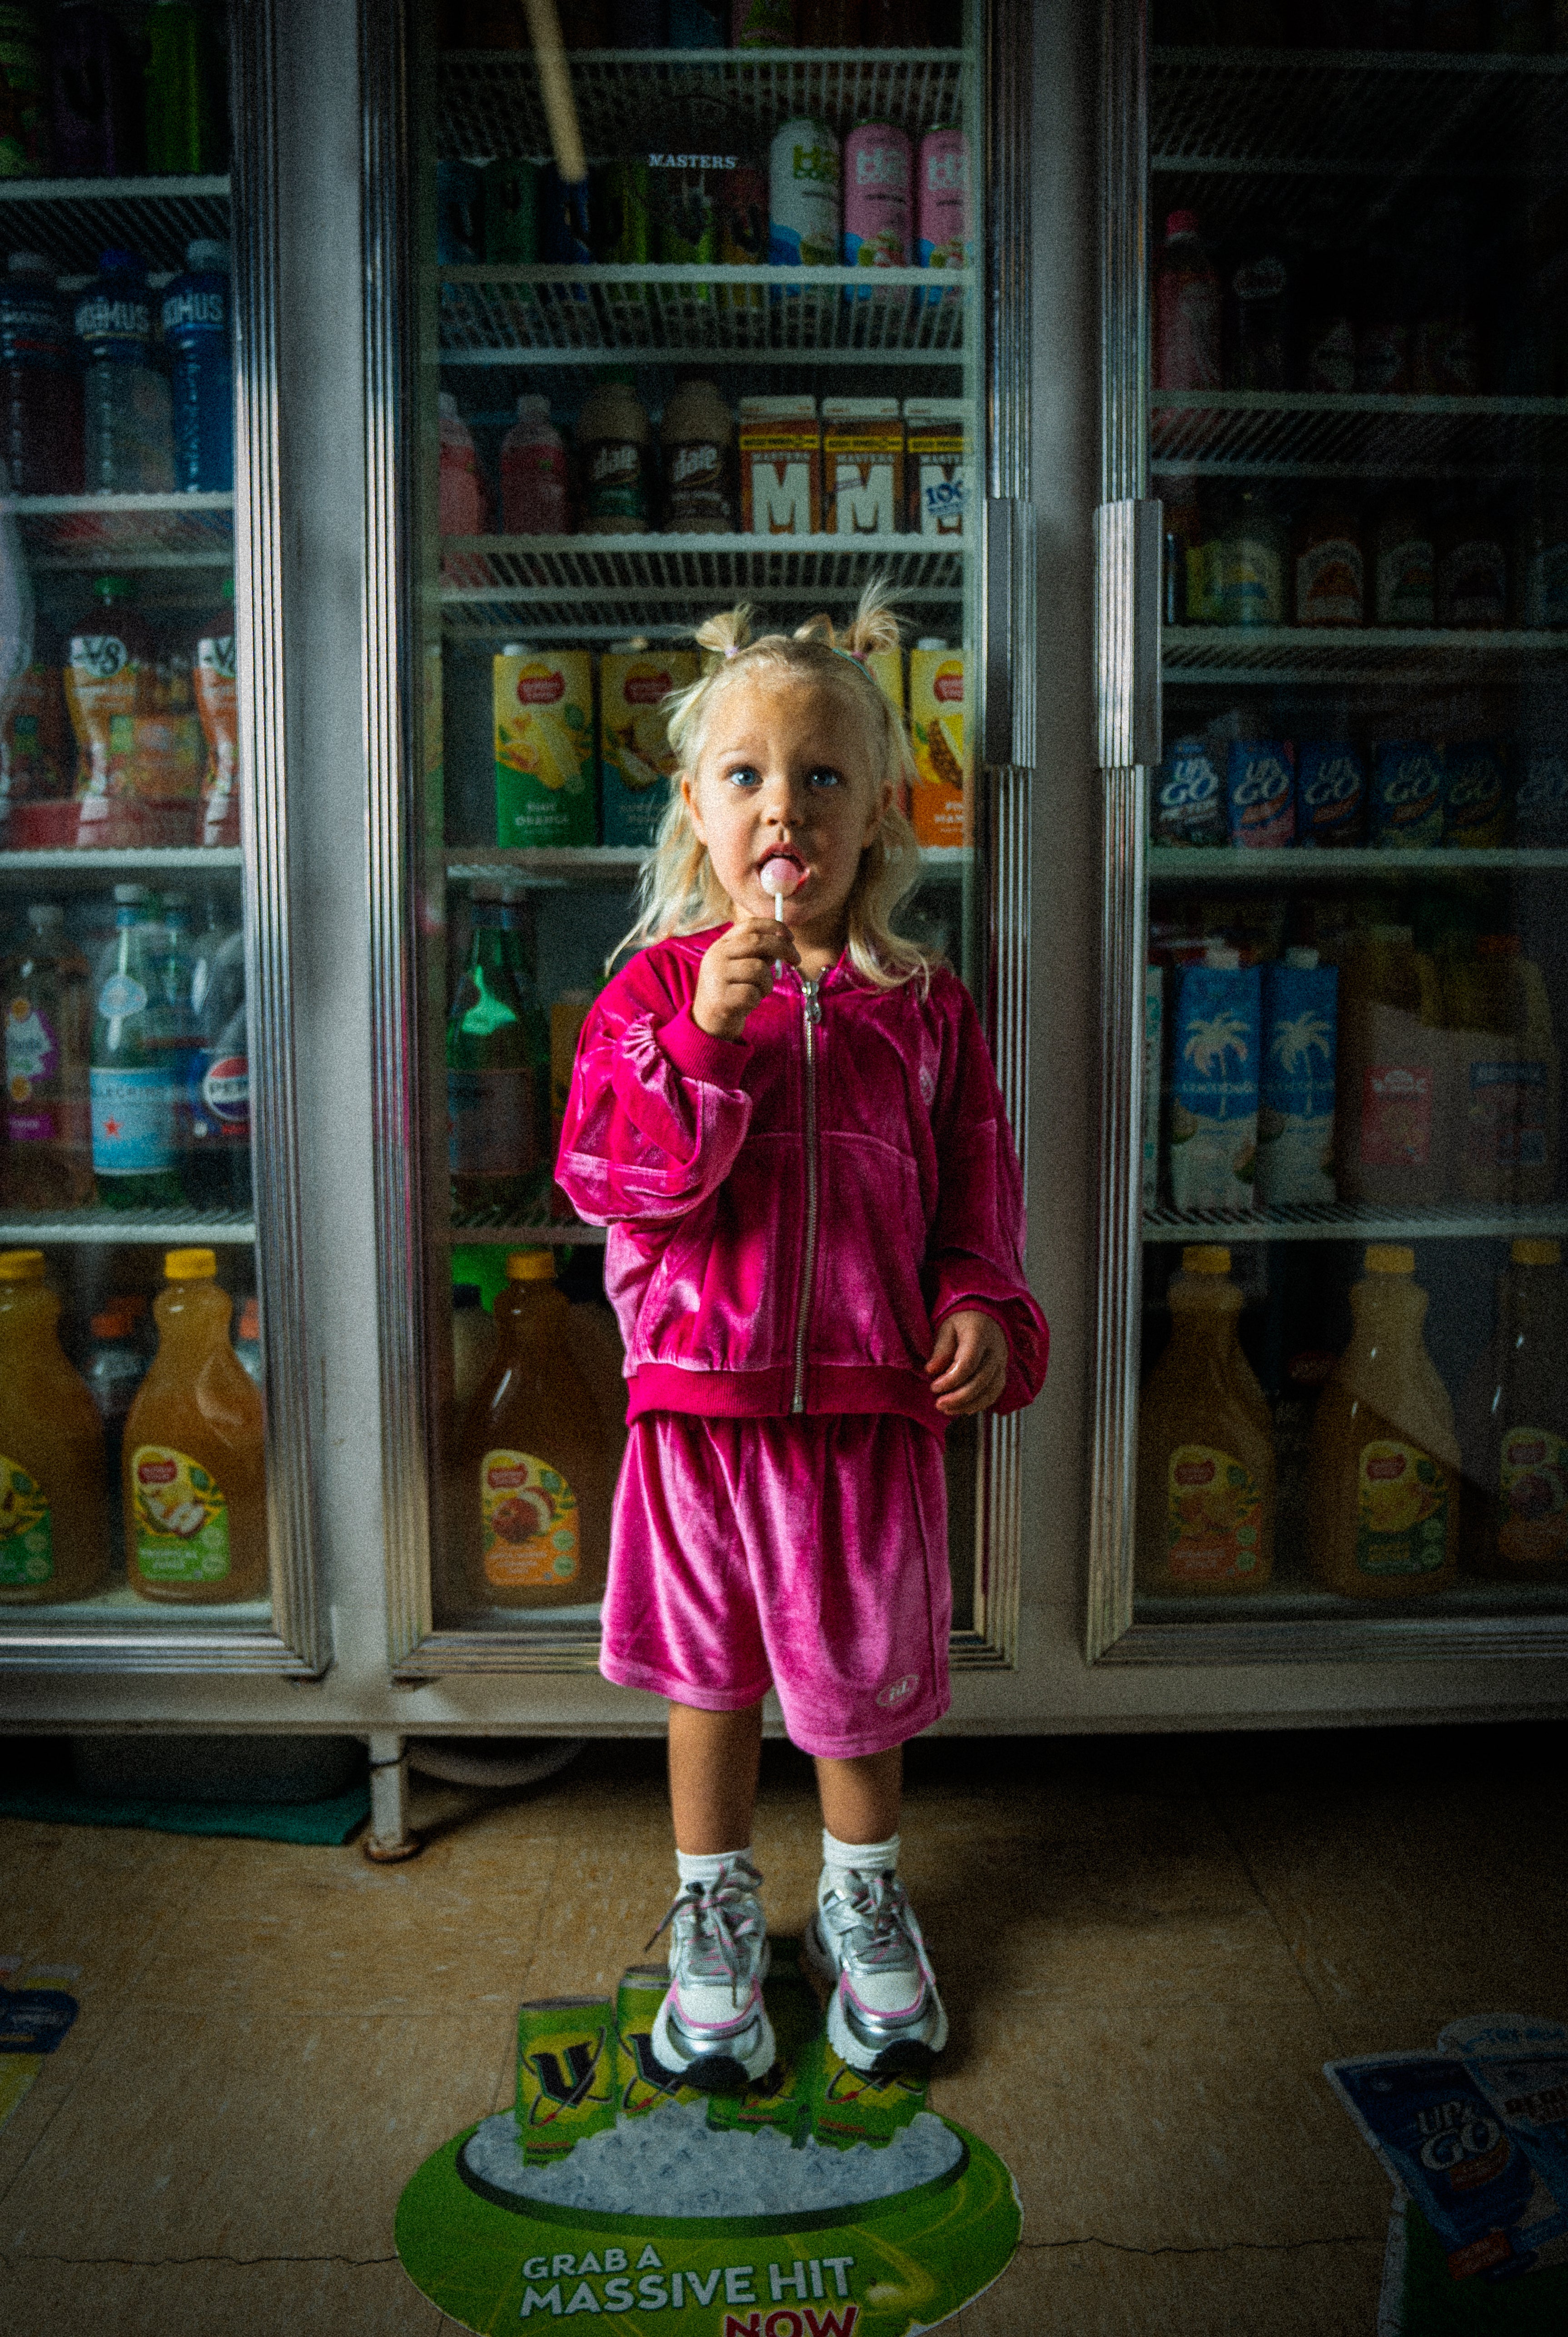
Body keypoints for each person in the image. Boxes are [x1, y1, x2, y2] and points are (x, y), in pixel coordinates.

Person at [556, 584, 1047, 2092]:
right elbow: (610, 1179)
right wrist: (702, 1040)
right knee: (708, 1681)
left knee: (851, 1679)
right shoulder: (649, 995)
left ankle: (859, 1888)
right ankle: (712, 1908)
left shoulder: (925, 1007)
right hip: (698, 1420)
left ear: (879, 811)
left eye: (823, 776)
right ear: (696, 808)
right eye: (749, 775)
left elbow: (976, 1182)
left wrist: (975, 1297)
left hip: (860, 1409)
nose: (787, 808)